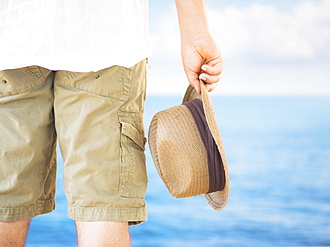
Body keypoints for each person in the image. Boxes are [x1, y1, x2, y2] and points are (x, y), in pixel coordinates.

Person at [0, 0, 223, 246]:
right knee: (102, 209)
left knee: (3, 205)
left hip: (12, 31)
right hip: (106, 34)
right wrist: (196, 32)